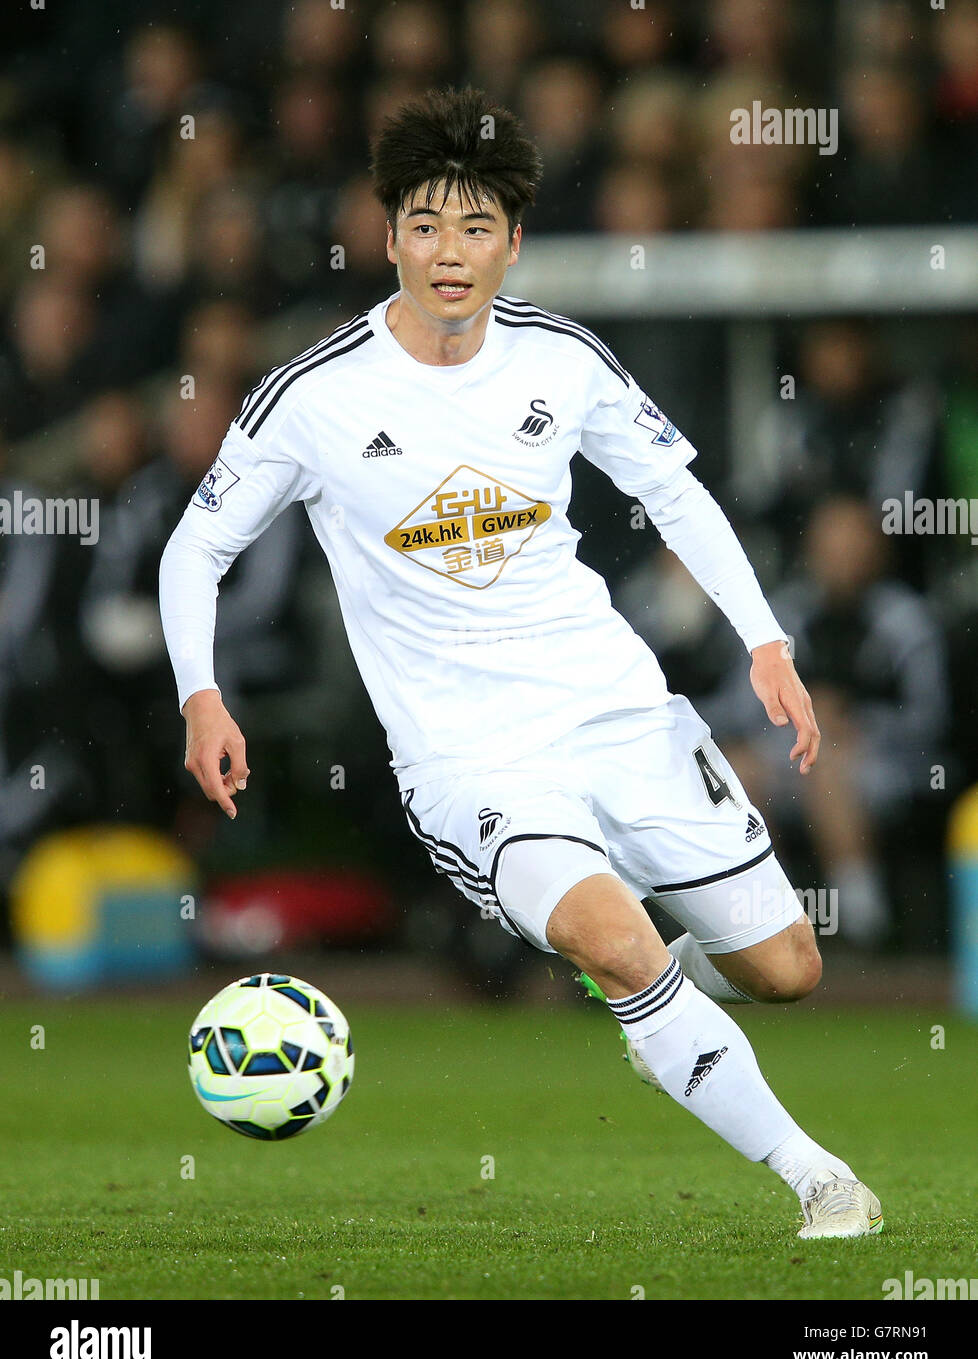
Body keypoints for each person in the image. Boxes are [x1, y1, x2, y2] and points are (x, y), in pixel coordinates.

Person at [159, 87, 881, 1239]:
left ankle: (659, 1014)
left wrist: (766, 641)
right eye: (429, 226)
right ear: (390, 232)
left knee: (790, 966)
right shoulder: (315, 395)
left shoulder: (563, 359)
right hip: (473, 756)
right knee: (617, 942)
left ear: (514, 242)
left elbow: (672, 492)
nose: (452, 253)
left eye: (477, 227)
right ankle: (819, 1177)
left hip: (619, 708)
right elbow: (196, 546)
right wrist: (202, 693)